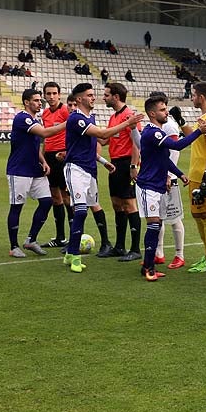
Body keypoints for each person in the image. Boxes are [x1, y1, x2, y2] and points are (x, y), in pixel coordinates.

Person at [62, 83, 143, 273]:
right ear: (80, 99)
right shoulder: (77, 118)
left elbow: (97, 140)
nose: (94, 98)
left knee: (122, 204)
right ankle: (74, 255)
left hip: (92, 170)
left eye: (96, 94)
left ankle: (124, 246)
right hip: (76, 169)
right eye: (90, 95)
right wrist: (127, 123)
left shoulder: (91, 117)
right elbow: (102, 135)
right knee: (81, 210)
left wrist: (103, 161)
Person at [135, 96, 203, 281]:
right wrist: (199, 131)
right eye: (163, 109)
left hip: (155, 185)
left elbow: (163, 159)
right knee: (154, 225)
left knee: (156, 225)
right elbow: (178, 145)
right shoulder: (152, 132)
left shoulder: (158, 132)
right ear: (152, 113)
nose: (167, 112)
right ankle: (149, 268)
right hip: (148, 186)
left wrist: (179, 173)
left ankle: (148, 265)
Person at [6, 89, 66, 258]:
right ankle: (14, 246)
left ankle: (31, 239)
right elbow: (45, 133)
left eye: (40, 100)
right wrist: (69, 122)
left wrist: (43, 161)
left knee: (47, 201)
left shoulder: (35, 119)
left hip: (35, 169)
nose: (41, 103)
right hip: (19, 170)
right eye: (36, 100)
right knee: (17, 207)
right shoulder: (22, 118)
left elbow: (35, 145)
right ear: (26, 102)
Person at [179, 82, 206, 273]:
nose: (192, 97)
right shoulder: (203, 118)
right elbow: (195, 139)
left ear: (202, 97)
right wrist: (181, 121)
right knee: (198, 216)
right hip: (195, 173)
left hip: (204, 174)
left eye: (193, 94)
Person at [98, 82, 143, 261]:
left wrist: (133, 166)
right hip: (115, 163)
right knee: (117, 204)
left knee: (130, 204)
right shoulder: (114, 117)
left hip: (126, 164)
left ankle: (135, 249)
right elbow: (105, 139)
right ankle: (119, 246)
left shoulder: (129, 116)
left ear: (116, 97)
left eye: (107, 95)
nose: (104, 97)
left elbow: (136, 143)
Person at [154, 103, 190, 269]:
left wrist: (169, 175)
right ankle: (159, 253)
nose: (166, 111)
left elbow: (173, 152)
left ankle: (179, 255)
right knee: (158, 217)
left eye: (165, 107)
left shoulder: (169, 126)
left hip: (169, 178)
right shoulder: (158, 125)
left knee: (174, 217)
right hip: (157, 177)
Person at [41, 82, 72, 246]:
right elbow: (45, 137)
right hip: (50, 157)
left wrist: (68, 151)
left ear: (59, 95)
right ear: (44, 95)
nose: (51, 96)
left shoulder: (66, 110)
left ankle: (74, 237)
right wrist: (44, 157)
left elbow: (74, 132)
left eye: (54, 93)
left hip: (63, 156)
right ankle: (60, 238)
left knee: (67, 197)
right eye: (48, 93)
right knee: (55, 198)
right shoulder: (45, 113)